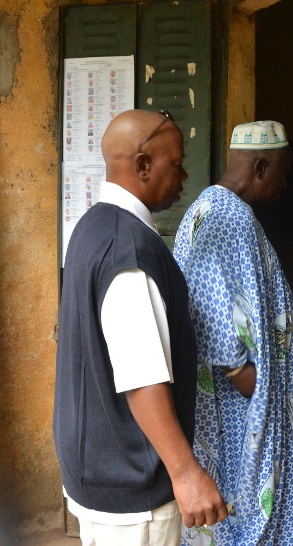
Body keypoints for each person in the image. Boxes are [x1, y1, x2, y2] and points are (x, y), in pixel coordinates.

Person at [53, 109, 226, 546]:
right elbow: (142, 376)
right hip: (131, 487)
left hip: (98, 463)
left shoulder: (93, 226)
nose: (185, 174)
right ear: (143, 165)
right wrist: (187, 474)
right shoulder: (127, 249)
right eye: (177, 164)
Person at [174, 121, 293, 545]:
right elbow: (210, 305)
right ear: (259, 167)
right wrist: (244, 376)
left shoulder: (216, 209)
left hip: (243, 393)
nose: (285, 185)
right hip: (238, 401)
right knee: (243, 502)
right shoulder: (226, 217)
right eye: (282, 173)